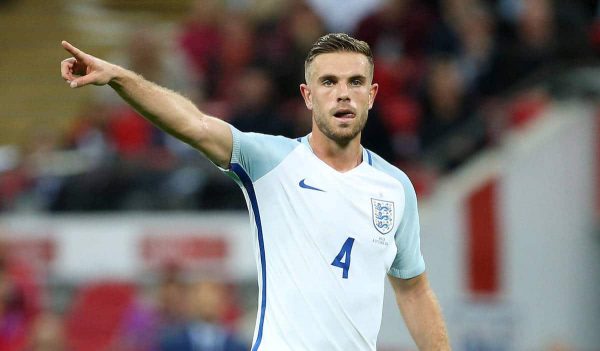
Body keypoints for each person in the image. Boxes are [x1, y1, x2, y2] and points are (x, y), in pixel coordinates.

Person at [60, 33, 450, 350]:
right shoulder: (271, 160)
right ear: (308, 96)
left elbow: (413, 290)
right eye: (329, 82)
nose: (343, 93)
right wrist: (119, 78)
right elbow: (194, 124)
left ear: (373, 94)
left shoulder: (394, 187)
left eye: (355, 82)